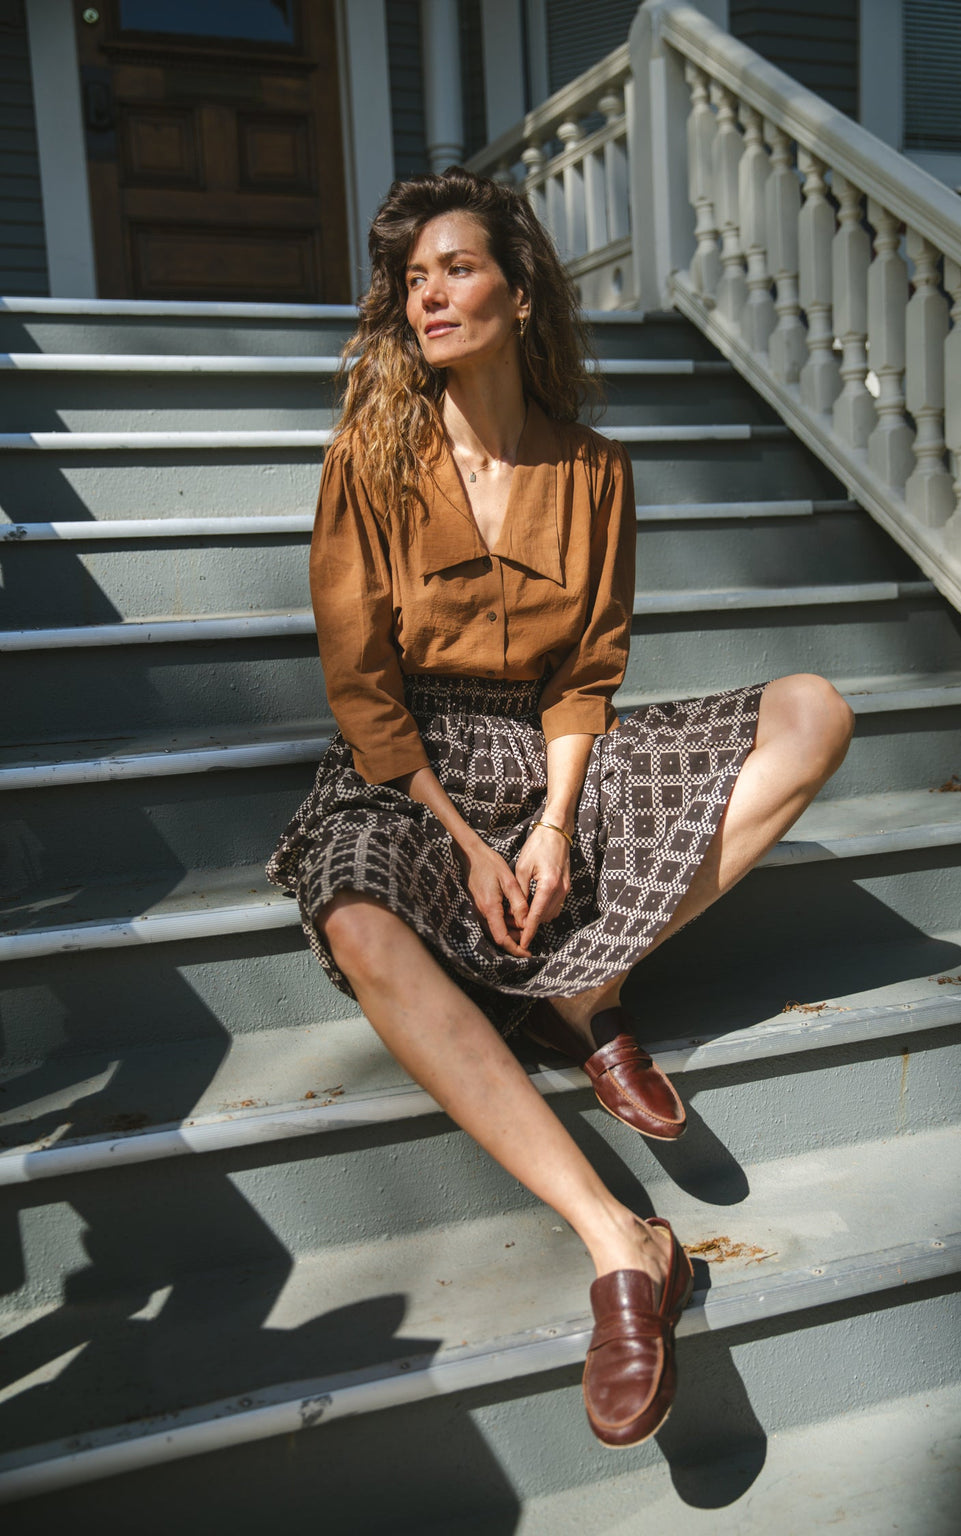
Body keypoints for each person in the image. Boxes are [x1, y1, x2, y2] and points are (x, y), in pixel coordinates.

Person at [267, 167, 854, 1448]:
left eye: (457, 269)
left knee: (814, 708)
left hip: (546, 756)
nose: (429, 296)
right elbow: (359, 681)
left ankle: (577, 992)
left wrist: (548, 822)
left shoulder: (594, 470)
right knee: (359, 911)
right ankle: (623, 1241)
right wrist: (466, 836)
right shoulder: (373, 452)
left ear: (521, 294)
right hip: (407, 766)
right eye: (413, 279)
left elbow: (589, 670)